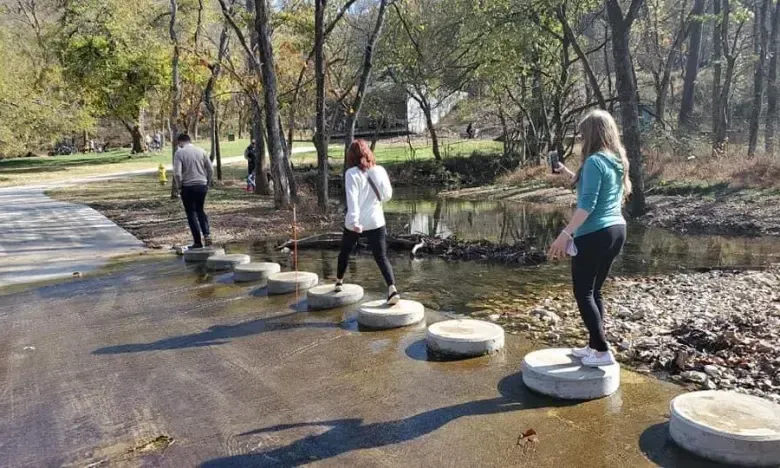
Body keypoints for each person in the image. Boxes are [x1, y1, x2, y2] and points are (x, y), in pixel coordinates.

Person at [547, 110, 631, 368]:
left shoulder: (594, 161)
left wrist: (564, 234)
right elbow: (591, 187)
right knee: (595, 291)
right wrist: (566, 172)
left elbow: (587, 206)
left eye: (583, 133)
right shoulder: (615, 160)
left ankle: (603, 351)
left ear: (593, 134)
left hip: (595, 233)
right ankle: (594, 345)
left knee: (582, 292)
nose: (581, 138)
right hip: (617, 230)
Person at [336, 139, 400, 305]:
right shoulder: (379, 170)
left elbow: (353, 201)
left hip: (356, 222)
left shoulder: (351, 174)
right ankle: (392, 289)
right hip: (376, 220)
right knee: (381, 256)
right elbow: (387, 195)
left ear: (351, 156)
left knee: (345, 251)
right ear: (368, 153)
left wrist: (355, 221)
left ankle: (338, 281)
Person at [173, 133, 214, 248]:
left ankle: (197, 242)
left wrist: (179, 186)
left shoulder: (179, 153)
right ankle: (207, 234)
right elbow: (210, 169)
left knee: (191, 213)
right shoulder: (201, 151)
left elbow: (177, 173)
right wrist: (208, 182)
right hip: (202, 185)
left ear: (181, 142)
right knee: (200, 210)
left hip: (188, 186)